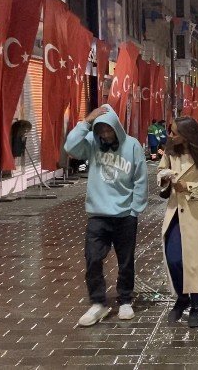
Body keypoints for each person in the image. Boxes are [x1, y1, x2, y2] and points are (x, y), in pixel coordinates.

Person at [64, 104, 148, 327]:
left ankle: (125, 299)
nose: (105, 134)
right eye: (100, 130)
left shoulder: (132, 146)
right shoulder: (91, 144)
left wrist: (134, 209)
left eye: (108, 129)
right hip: (97, 214)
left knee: (126, 260)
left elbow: (140, 178)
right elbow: (70, 146)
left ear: (116, 128)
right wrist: (87, 121)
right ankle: (97, 303)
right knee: (92, 258)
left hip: (124, 215)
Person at [157, 116, 198, 328]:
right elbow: (160, 172)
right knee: (174, 257)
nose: (170, 136)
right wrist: (165, 178)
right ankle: (182, 297)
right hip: (176, 211)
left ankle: (197, 305)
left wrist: (190, 187)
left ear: (187, 135)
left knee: (196, 262)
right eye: (170, 131)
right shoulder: (170, 151)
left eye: (174, 133)